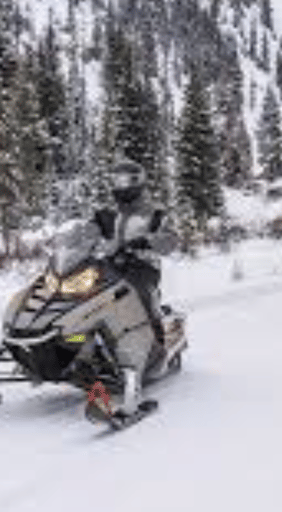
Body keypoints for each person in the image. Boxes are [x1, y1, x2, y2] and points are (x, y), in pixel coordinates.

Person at [89, 158, 174, 417]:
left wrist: (148, 241)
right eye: (115, 180)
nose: (119, 186)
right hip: (109, 266)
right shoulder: (106, 213)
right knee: (82, 295)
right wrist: (73, 238)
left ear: (137, 182)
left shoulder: (154, 212)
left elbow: (170, 239)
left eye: (125, 180)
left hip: (142, 268)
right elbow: (87, 231)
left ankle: (153, 351)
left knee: (135, 296)